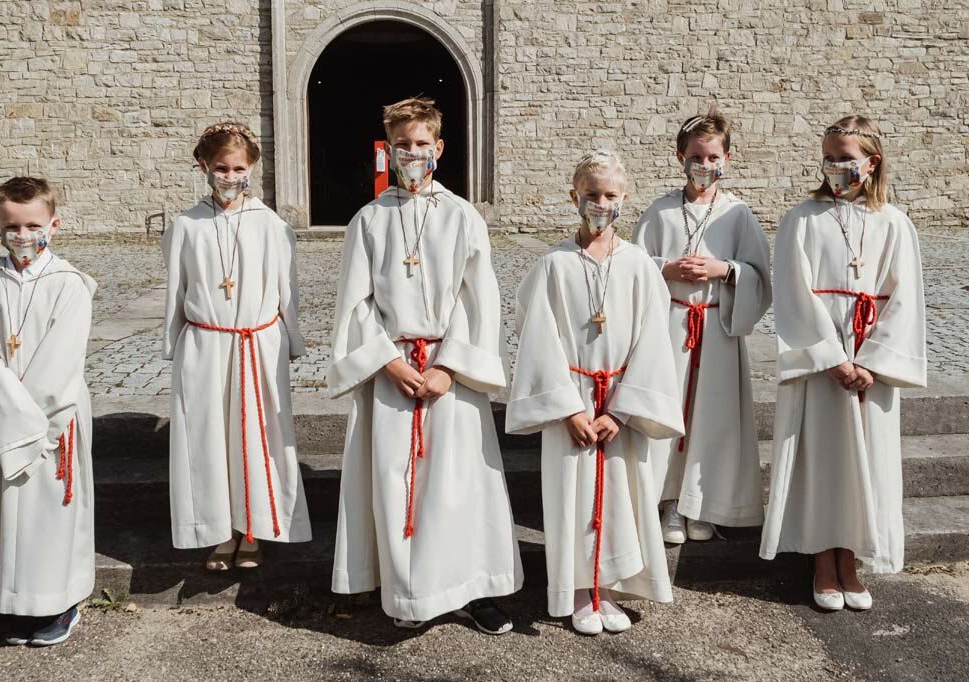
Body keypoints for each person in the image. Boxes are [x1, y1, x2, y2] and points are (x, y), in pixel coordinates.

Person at [329, 96, 522, 634]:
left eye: (421, 144)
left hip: (447, 377)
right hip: (395, 374)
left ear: (439, 148)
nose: (412, 153)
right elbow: (355, 302)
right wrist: (387, 361)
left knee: (457, 486)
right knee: (398, 484)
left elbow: (478, 298)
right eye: (401, 145)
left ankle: (471, 590)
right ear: (387, 150)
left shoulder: (463, 216)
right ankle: (408, 593)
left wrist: (449, 366)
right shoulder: (368, 220)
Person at [506, 151, 684, 635]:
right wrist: (566, 408)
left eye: (609, 196)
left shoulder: (642, 268)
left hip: (621, 401)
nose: (600, 204)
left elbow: (654, 340)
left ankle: (610, 588)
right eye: (590, 195)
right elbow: (537, 336)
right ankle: (580, 591)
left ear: (625, 200)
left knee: (623, 496)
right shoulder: (553, 265)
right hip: (575, 402)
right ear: (574, 197)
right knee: (573, 497)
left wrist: (623, 411)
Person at [759, 116, 927, 611]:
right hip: (823, 366)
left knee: (867, 466)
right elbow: (792, 291)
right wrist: (830, 357)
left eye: (846, 158)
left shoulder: (894, 222)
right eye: (829, 158)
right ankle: (822, 562)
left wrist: (871, 362)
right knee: (824, 463)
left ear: (871, 163)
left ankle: (852, 560)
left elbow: (906, 298)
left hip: (869, 367)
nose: (836, 167)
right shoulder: (802, 218)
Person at [162, 122, 310, 570]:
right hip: (205, 344)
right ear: (204, 166)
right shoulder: (185, 225)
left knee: (259, 438)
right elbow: (175, 289)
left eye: (238, 168)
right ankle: (217, 530)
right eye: (221, 168)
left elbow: (288, 290)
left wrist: (289, 342)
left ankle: (255, 527)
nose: (230, 176)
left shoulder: (272, 225)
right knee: (207, 438)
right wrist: (176, 345)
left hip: (256, 343)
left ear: (252, 169)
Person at [0, 177, 96, 646]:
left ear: (54, 225)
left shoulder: (71, 285)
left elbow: (62, 361)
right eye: (12, 226)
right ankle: (10, 601)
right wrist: (7, 415)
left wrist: (34, 424)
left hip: (53, 421)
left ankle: (57, 603)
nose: (23, 235)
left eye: (33, 225)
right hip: (1, 420)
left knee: (47, 515)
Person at [632, 107, 772, 544]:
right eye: (696, 156)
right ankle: (670, 502)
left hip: (716, 331)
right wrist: (665, 266)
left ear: (728, 159)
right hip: (670, 326)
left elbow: (760, 275)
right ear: (680, 157)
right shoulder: (661, 212)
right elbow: (633, 268)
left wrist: (724, 269)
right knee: (670, 413)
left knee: (713, 419)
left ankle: (703, 506)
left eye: (713, 157)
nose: (704, 165)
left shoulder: (738, 214)